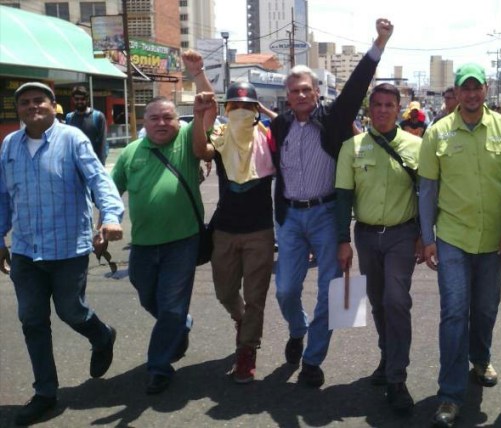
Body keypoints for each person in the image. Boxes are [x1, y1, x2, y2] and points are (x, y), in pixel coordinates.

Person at [269, 18, 394, 388]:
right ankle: (298, 328)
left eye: (306, 90)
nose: (301, 96)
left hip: (326, 215)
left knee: (333, 289)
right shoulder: (280, 127)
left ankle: (313, 359)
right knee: (286, 289)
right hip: (290, 217)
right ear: (287, 97)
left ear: (316, 91)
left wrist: (379, 43)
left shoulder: (333, 118)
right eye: (294, 92)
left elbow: (356, 87)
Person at [0, 82, 124, 426]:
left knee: (71, 311)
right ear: (19, 109)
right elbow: (3, 197)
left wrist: (110, 218)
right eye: (24, 102)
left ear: (53, 106)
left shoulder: (72, 139)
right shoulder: (10, 145)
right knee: (32, 321)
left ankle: (102, 335)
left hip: (68, 247)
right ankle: (45, 393)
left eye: (38, 100)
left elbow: (99, 180)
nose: (31, 106)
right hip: (26, 251)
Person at [418, 63, 501, 427]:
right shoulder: (438, 132)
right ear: (457, 92)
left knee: (484, 309)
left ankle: (480, 359)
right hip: (453, 238)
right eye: (465, 88)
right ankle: (449, 394)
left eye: (476, 87)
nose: (471, 94)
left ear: (485, 89)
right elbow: (428, 189)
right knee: (453, 313)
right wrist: (428, 238)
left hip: (494, 240)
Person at [110, 91, 211, 394]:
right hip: (142, 244)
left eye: (168, 117)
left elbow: (205, 118)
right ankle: (181, 322)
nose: (162, 123)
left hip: (182, 241)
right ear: (145, 123)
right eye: (155, 118)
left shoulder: (186, 143)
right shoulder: (131, 152)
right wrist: (106, 222)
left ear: (178, 122)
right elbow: (111, 191)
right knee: (148, 297)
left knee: (170, 306)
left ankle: (158, 366)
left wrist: (201, 100)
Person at [335, 83, 423, 413]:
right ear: (369, 110)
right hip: (367, 236)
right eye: (378, 105)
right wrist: (342, 241)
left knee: (396, 300)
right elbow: (343, 198)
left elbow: (426, 195)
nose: (383, 110)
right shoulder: (352, 147)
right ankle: (388, 355)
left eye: (389, 105)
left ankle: (397, 378)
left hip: (402, 234)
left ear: (398, 109)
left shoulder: (417, 145)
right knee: (377, 300)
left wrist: (425, 236)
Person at [194, 82, 276, 384]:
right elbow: (200, 150)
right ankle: (241, 320)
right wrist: (199, 113)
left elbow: (288, 129)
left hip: (260, 231)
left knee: (256, 297)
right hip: (225, 230)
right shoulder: (221, 137)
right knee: (225, 291)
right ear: (226, 110)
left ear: (256, 111)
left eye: (247, 106)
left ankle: (247, 351)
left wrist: (267, 113)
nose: (240, 111)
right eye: (234, 106)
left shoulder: (268, 138)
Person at [66, 85, 108, 165]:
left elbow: (102, 144)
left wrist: (101, 166)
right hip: (75, 165)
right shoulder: (69, 118)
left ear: (87, 99)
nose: (79, 102)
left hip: (93, 164)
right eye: (76, 99)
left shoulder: (98, 117)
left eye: (82, 99)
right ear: (73, 100)